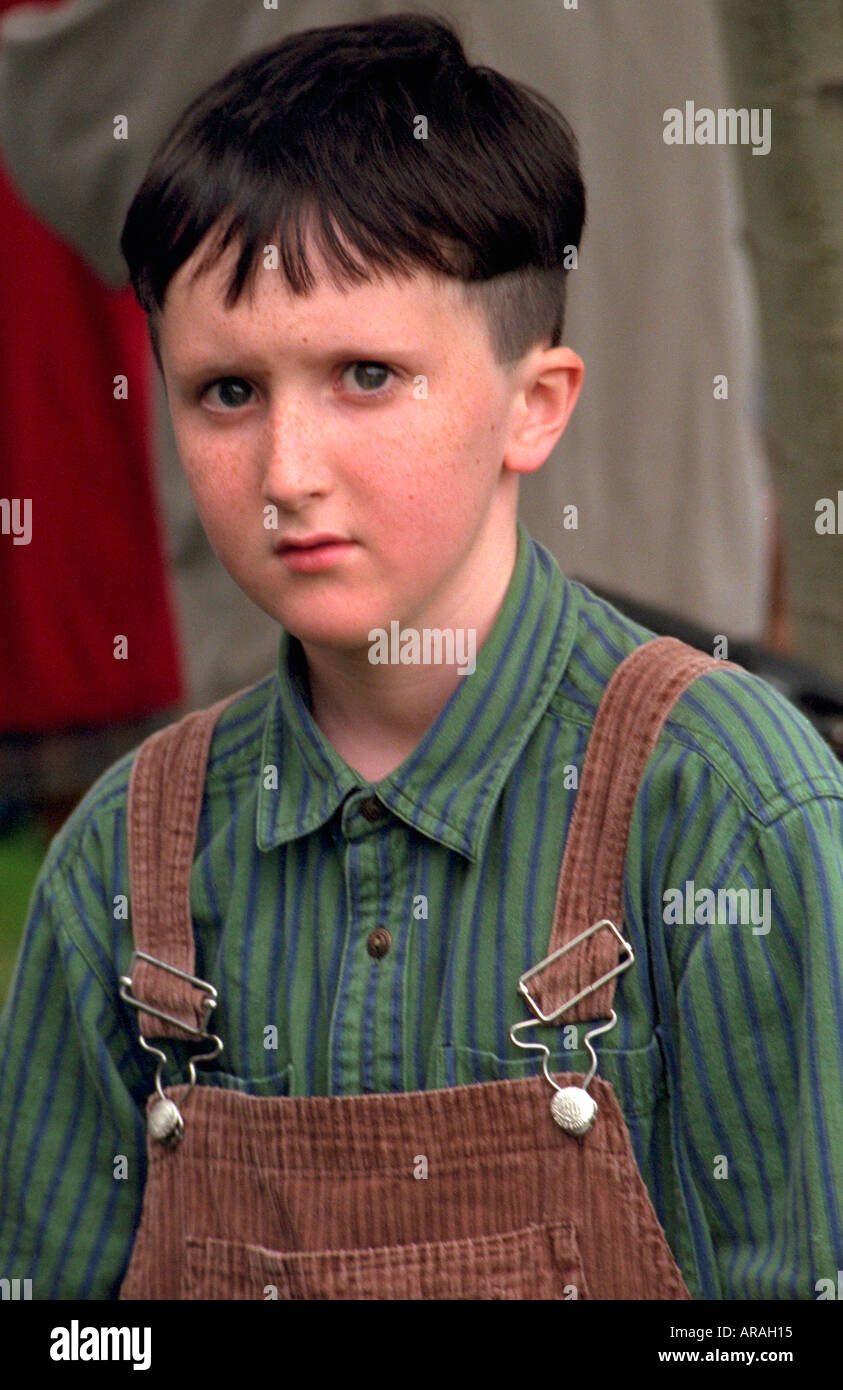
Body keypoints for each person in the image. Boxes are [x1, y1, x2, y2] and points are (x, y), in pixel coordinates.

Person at [1, 14, 841, 1301]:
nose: (289, 473)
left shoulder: (726, 812)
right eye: (227, 391)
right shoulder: (120, 861)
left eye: (366, 375)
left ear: (535, 403)